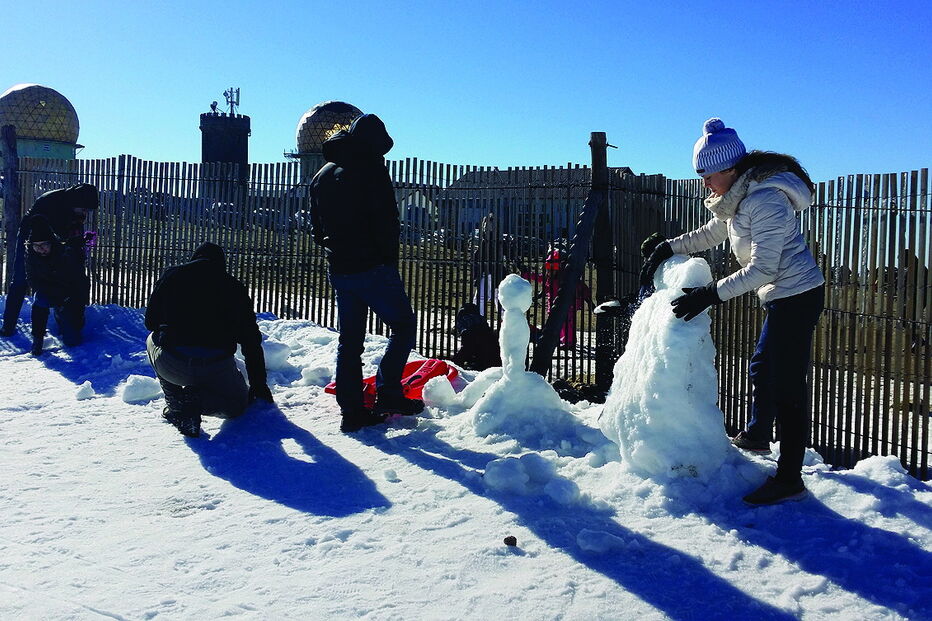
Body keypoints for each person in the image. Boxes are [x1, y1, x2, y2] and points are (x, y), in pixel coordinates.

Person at [640, 118, 825, 506]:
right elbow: (712, 233)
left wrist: (710, 294)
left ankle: (790, 477)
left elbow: (763, 269)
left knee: (788, 386)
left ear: (730, 169)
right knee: (762, 367)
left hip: (797, 295)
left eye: (709, 176)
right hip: (781, 295)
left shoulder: (764, 200)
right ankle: (757, 435)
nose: (705, 184)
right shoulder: (741, 197)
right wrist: (669, 247)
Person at [309, 113, 423, 433]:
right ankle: (388, 394)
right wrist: (386, 260)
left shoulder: (322, 174)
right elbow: (386, 222)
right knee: (403, 326)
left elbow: (316, 227)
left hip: (340, 268)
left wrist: (336, 249)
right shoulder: (371, 169)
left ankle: (352, 411)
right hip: (373, 266)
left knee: (350, 342)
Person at [144, 242, 272, 438]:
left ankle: (176, 403)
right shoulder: (234, 287)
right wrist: (258, 385)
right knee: (236, 406)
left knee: (152, 340)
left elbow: (150, 322)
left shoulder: (172, 275)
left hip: (173, 363)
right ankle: (196, 401)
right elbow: (251, 341)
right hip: (215, 367)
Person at [2, 183, 98, 337]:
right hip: (31, 237)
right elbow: (47, 233)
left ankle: (63, 319)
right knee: (20, 278)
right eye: (84, 209)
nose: (85, 213)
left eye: (88, 210)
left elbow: (73, 239)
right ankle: (8, 325)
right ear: (77, 202)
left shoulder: (75, 211)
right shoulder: (51, 202)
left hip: (52, 241)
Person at [22, 216, 90, 355]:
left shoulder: (65, 254)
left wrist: (72, 301)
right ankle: (38, 339)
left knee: (72, 341)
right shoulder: (31, 256)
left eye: (44, 245)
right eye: (36, 245)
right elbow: (32, 279)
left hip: (68, 295)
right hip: (48, 292)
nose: (40, 249)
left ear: (51, 243)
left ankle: (68, 319)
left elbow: (78, 281)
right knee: (39, 301)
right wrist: (48, 291)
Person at [450, 303, 501, 371]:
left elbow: (466, 349)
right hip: (494, 359)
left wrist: (454, 364)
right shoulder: (481, 320)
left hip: (484, 360)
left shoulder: (465, 323)